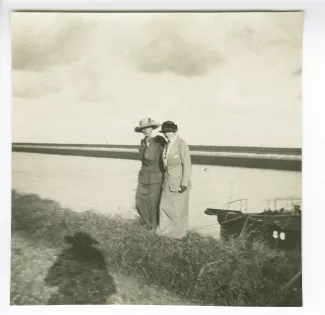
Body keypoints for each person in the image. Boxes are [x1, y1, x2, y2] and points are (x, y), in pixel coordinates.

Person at [44, 232, 117, 305]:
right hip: (76, 290)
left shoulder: (95, 254)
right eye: (79, 244)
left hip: (85, 290)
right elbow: (54, 272)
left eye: (83, 244)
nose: (81, 246)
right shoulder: (68, 253)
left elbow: (103, 273)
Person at [156, 120, 192, 239]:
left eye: (169, 131)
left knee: (178, 211)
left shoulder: (182, 144)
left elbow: (187, 164)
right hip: (167, 181)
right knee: (164, 207)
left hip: (179, 182)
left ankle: (177, 236)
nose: (167, 134)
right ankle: (164, 233)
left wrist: (184, 183)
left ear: (174, 131)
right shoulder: (167, 145)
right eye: (165, 132)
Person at [134, 118, 166, 230]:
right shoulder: (142, 142)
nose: (146, 130)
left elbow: (167, 156)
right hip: (143, 178)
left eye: (148, 127)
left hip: (156, 178)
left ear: (152, 128)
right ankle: (148, 225)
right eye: (143, 129)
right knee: (139, 203)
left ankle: (153, 229)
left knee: (153, 206)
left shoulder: (158, 141)